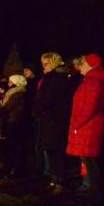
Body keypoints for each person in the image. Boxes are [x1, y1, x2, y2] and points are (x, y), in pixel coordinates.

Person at [66, 54, 104, 206]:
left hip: (88, 129)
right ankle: (94, 195)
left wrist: (77, 123)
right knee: (90, 163)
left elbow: (89, 106)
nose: (80, 66)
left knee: (92, 165)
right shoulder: (90, 81)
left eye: (83, 63)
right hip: (88, 127)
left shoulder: (93, 82)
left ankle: (96, 199)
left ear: (91, 65)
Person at [32, 52, 73, 194]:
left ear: (54, 63)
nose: (44, 66)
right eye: (42, 63)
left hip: (56, 121)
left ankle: (61, 181)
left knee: (57, 151)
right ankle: (53, 179)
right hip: (47, 120)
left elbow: (50, 99)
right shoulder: (48, 78)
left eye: (47, 63)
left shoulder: (58, 79)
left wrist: (40, 108)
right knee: (50, 150)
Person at [0, 74, 29, 179]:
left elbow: (6, 107)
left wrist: (1, 105)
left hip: (15, 122)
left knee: (15, 146)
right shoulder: (13, 93)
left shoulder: (17, 93)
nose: (8, 84)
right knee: (12, 146)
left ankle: (17, 170)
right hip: (12, 121)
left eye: (10, 82)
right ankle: (13, 167)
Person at [23, 63, 44, 177]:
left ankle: (40, 167)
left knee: (37, 143)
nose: (25, 73)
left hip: (34, 117)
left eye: (27, 70)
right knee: (31, 144)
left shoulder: (35, 84)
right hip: (28, 117)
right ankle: (34, 166)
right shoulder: (27, 84)